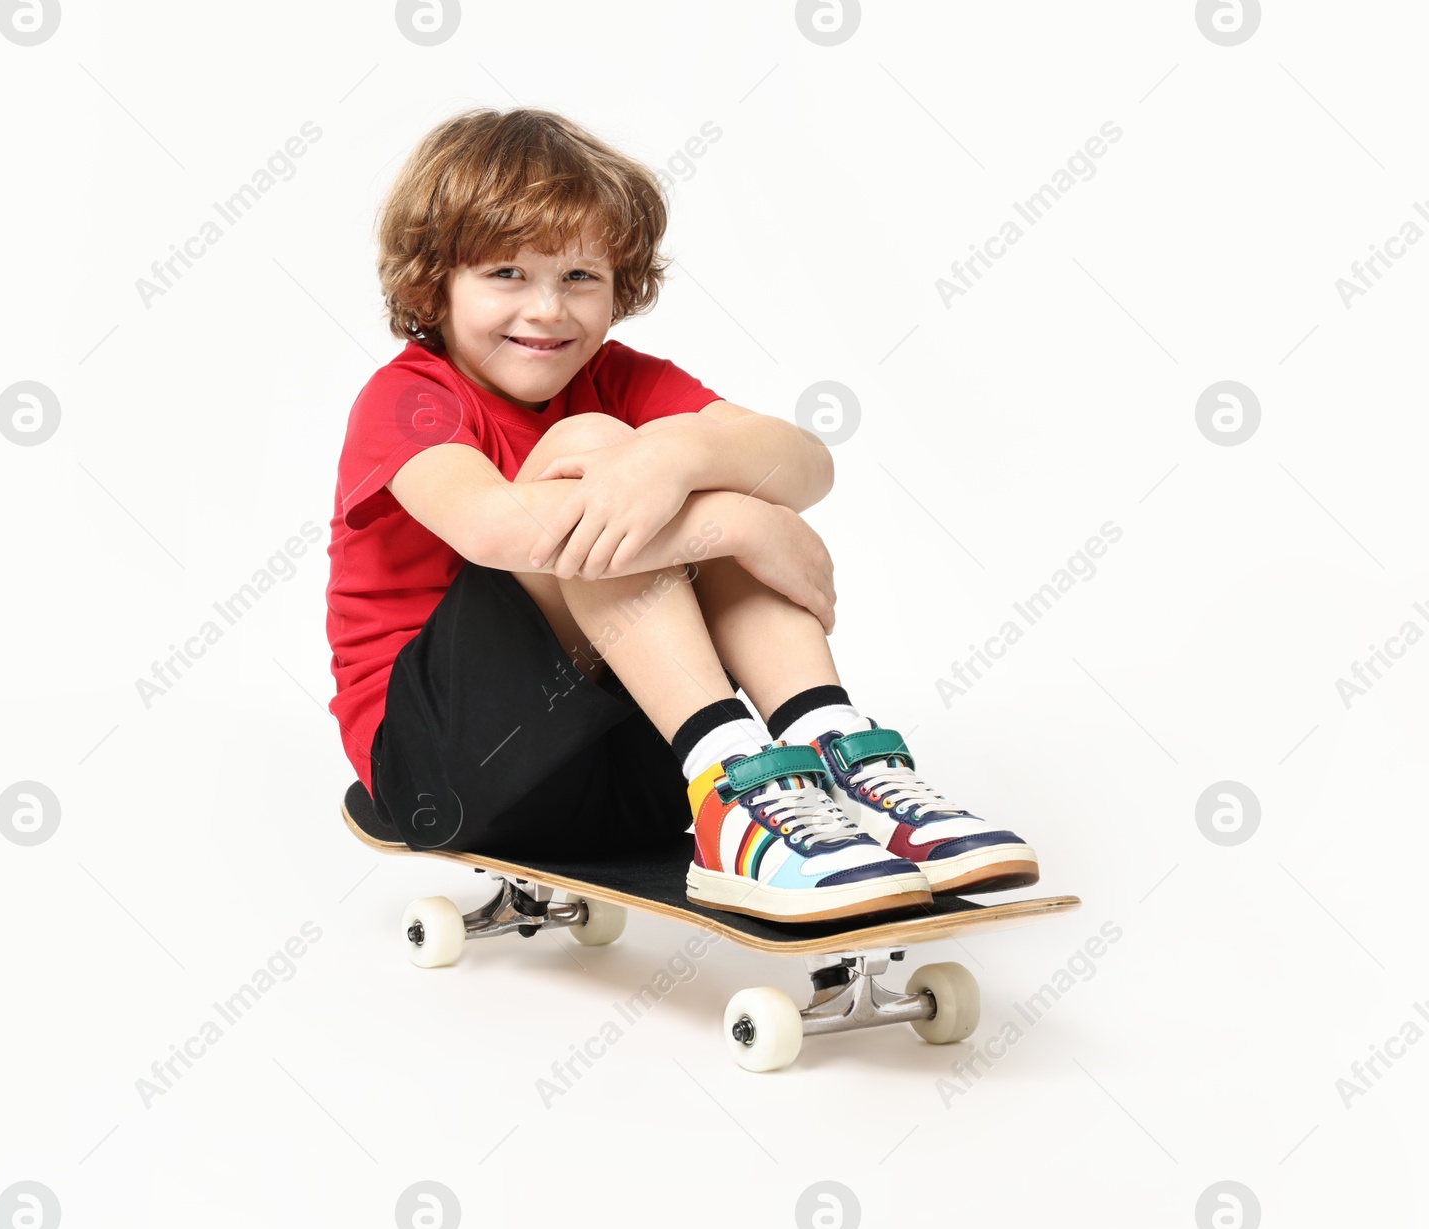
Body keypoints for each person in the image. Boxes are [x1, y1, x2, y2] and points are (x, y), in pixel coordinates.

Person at [326, 106, 1037, 925]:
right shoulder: (407, 399)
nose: (549, 310)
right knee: (597, 451)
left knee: (671, 453)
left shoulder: (624, 376)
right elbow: (502, 531)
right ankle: (734, 775)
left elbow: (807, 462)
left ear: (618, 286)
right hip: (449, 770)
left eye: (579, 277)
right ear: (433, 285)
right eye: (506, 275)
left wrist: (685, 460)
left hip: (636, 768)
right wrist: (743, 523)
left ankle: (826, 756)